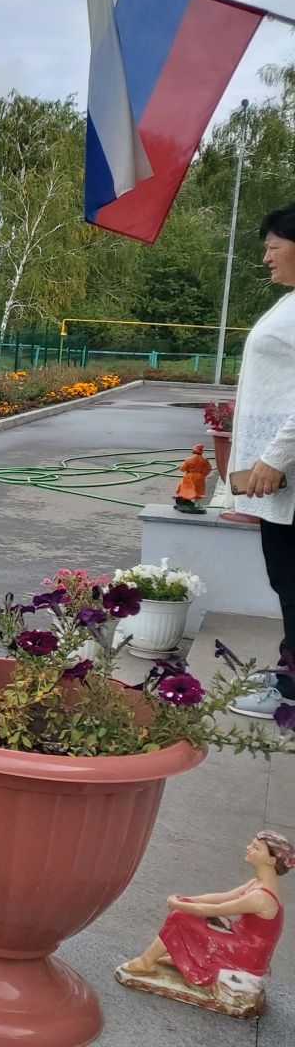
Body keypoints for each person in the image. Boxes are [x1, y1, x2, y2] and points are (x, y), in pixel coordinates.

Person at [229, 204, 295, 719]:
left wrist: (275, 457)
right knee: (285, 578)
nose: (266, 256)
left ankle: (292, 691)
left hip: (287, 468)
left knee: (292, 580)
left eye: (274, 245)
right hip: (278, 472)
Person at [123, 831, 292, 989]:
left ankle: (146, 962)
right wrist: (187, 900)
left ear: (271, 860)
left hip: (245, 954)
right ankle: (180, 956)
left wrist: (180, 906)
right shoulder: (257, 884)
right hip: (241, 941)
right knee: (187, 915)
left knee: (179, 917)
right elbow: (223, 897)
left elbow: (216, 909)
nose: (248, 848)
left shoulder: (261, 897)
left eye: (256, 848)